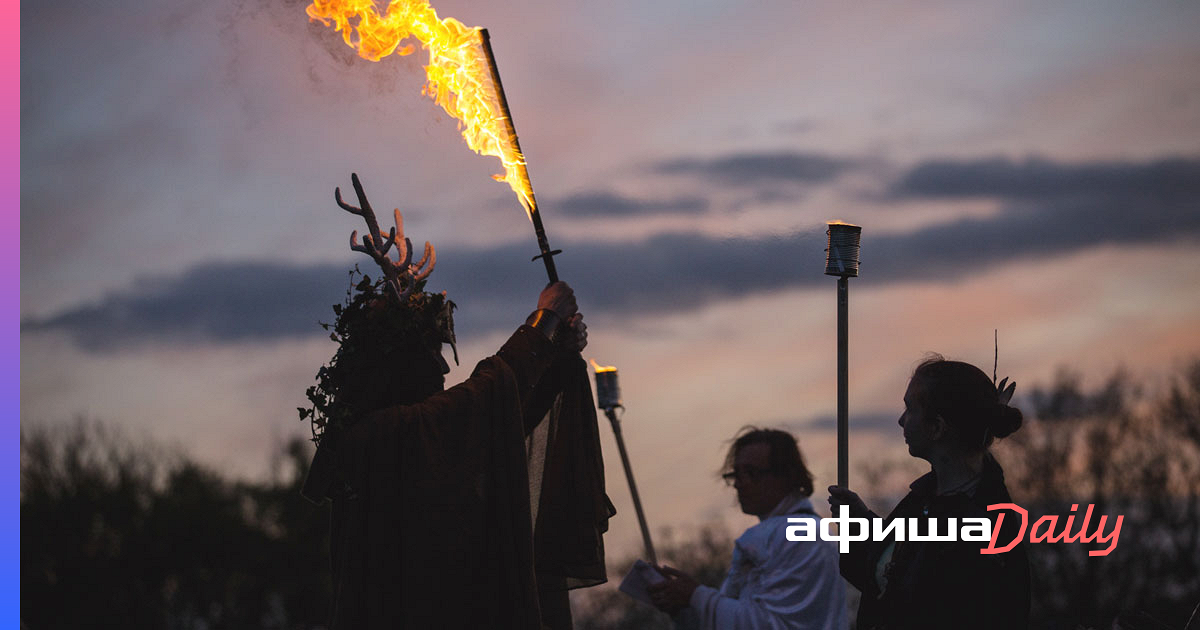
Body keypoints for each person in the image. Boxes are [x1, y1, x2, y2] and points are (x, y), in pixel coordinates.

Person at [300, 174, 613, 629]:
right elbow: (484, 401)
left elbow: (500, 420)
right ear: (398, 362)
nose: (444, 370)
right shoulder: (381, 435)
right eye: (432, 354)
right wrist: (542, 324)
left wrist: (556, 354)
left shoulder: (418, 433)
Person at [828, 356, 1031, 629]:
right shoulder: (923, 500)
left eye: (910, 409)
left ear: (936, 427)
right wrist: (859, 522)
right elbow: (884, 575)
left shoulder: (986, 524)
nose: (901, 421)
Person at [648, 427, 847, 630]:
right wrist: (683, 606)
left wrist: (695, 596)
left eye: (752, 473)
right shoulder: (806, 531)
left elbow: (769, 625)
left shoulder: (794, 534)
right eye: (736, 474)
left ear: (786, 476)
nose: (739, 484)